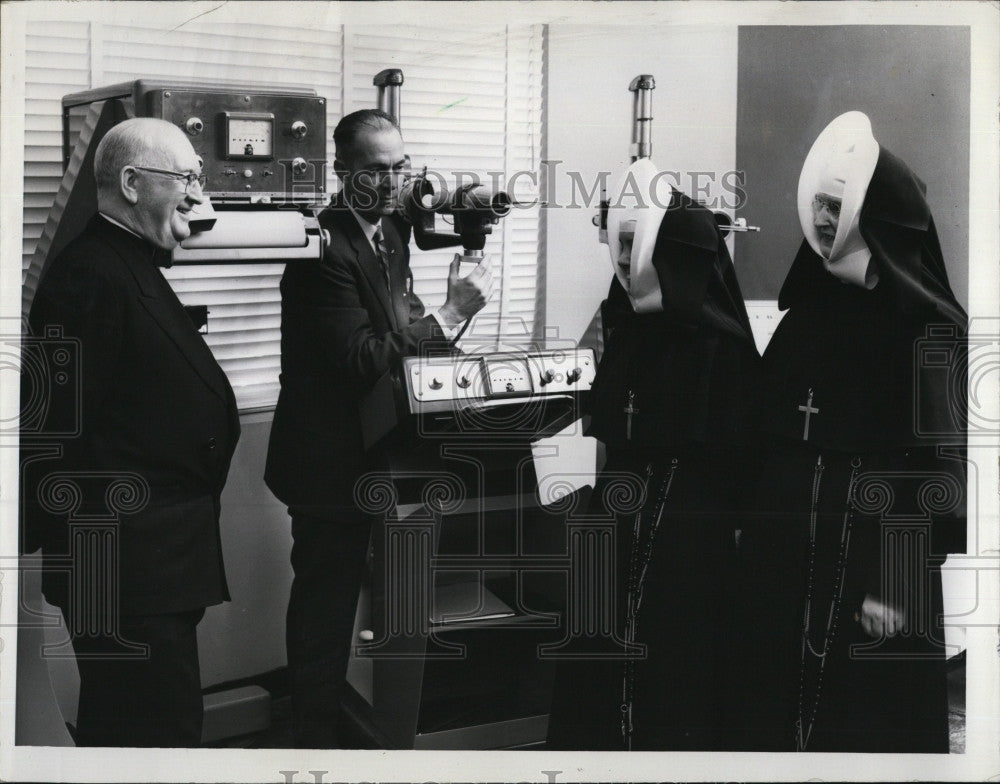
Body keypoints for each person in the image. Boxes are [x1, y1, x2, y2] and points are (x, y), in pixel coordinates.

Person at [731, 111, 967, 753]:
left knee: (861, 720)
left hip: (869, 557)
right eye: (818, 205)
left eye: (838, 206)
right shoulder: (806, 311)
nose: (823, 220)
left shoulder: (927, 327)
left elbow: (935, 471)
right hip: (786, 552)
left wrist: (893, 581)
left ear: (875, 213)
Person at [264, 109, 493, 748]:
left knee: (369, 603)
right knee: (324, 614)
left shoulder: (390, 230)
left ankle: (355, 732)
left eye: (401, 167)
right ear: (341, 172)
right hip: (328, 462)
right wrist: (449, 315)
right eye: (375, 171)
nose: (393, 184)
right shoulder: (321, 247)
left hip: (380, 448)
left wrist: (449, 316)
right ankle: (311, 747)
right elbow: (364, 357)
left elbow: (403, 329)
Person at [21, 117, 240, 747]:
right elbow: (58, 432)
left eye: (200, 177)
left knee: (136, 726)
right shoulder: (91, 274)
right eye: (187, 178)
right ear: (132, 183)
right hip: (122, 571)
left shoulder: (131, 261)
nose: (200, 196)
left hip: (154, 561)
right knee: (152, 734)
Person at [546, 158, 761, 750]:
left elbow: (735, 462)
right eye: (615, 243)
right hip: (615, 521)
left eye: (632, 246)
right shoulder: (628, 325)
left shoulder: (720, 347)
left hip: (688, 533)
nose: (621, 259)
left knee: (669, 658)